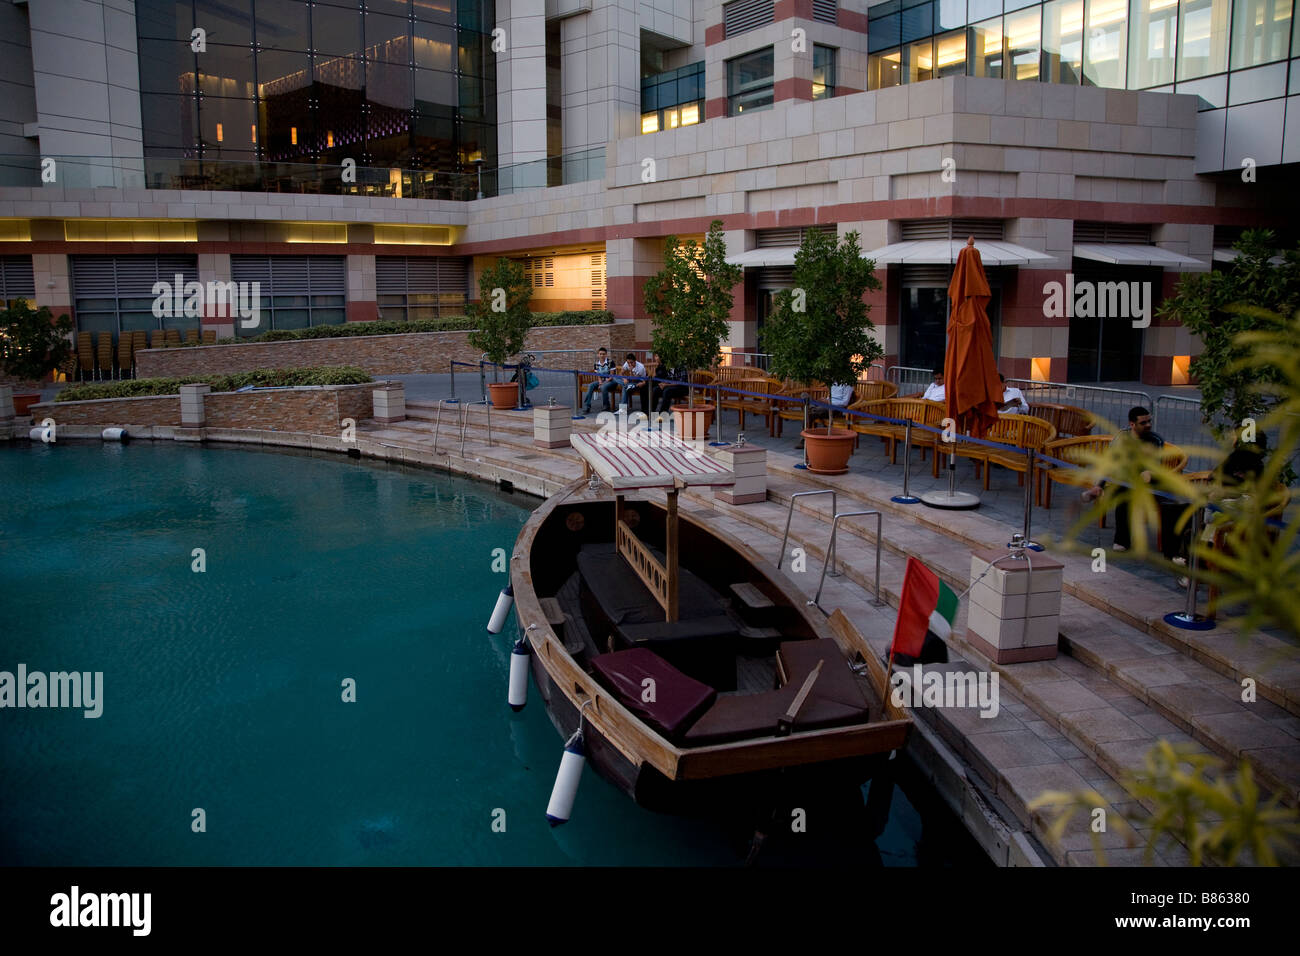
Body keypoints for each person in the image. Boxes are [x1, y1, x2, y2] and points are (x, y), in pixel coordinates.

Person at [1082, 406, 1182, 557]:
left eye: (1149, 421)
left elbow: (1154, 467)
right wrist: (1099, 484)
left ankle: (1173, 551)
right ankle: (1122, 540)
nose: (1148, 425)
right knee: (1124, 491)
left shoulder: (1155, 440)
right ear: (1132, 424)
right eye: (1143, 423)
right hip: (1126, 479)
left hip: (1149, 481)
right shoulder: (1122, 438)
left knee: (1171, 500)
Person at [798, 381, 855, 449]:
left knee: (809, 413)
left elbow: (844, 402)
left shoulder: (848, 385)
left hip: (834, 408)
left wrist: (828, 402)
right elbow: (830, 396)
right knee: (804, 394)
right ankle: (812, 408)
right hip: (824, 404)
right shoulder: (834, 383)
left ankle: (803, 440)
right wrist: (824, 400)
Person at [580, 347, 613, 413]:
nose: (602, 355)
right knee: (591, 385)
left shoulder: (610, 362)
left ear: (606, 354)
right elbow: (598, 375)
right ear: (598, 355)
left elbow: (612, 376)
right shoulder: (596, 364)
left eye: (603, 354)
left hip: (610, 381)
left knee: (604, 387)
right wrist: (600, 382)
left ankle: (606, 406)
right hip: (602, 381)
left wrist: (603, 383)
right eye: (600, 354)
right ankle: (587, 406)